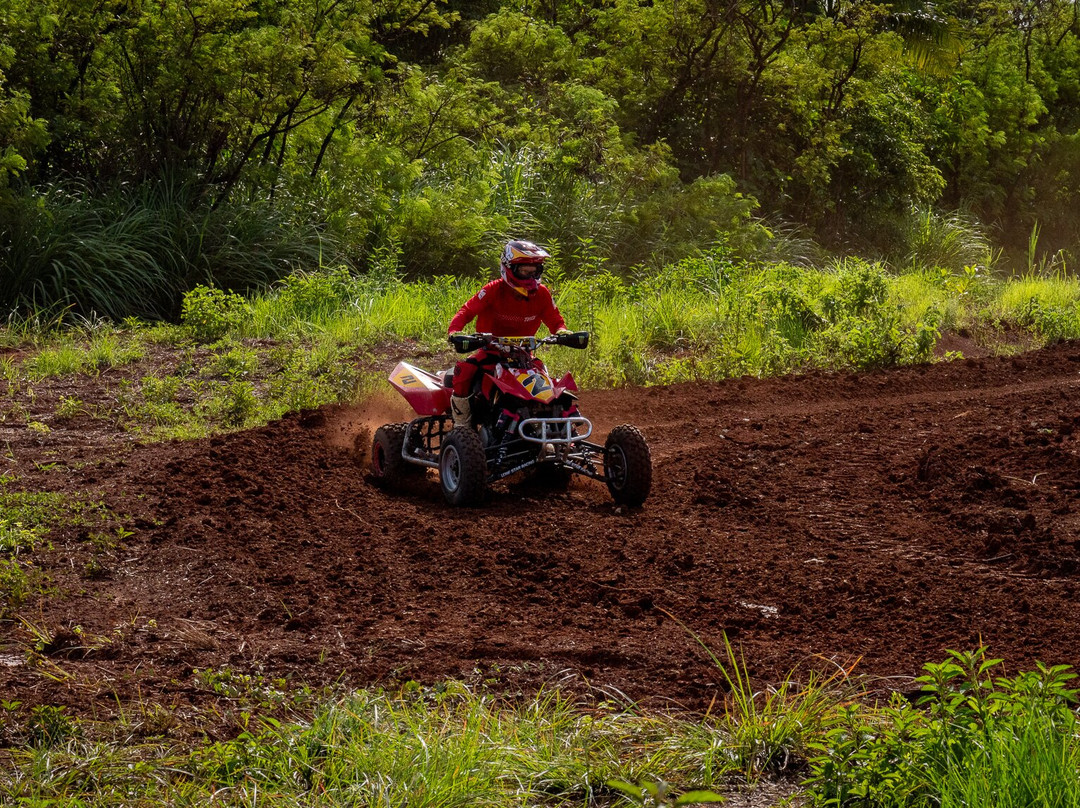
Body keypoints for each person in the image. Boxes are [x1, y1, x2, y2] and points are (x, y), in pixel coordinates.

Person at [446, 239, 569, 428]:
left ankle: (551, 431)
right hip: (490, 352)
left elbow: (556, 321)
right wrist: (455, 331)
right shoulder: (493, 290)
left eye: (534, 271)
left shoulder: (542, 294)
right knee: (465, 371)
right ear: (509, 267)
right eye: (524, 271)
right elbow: (467, 311)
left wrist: (562, 332)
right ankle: (462, 426)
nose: (530, 276)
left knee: (547, 382)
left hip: (524, 355)